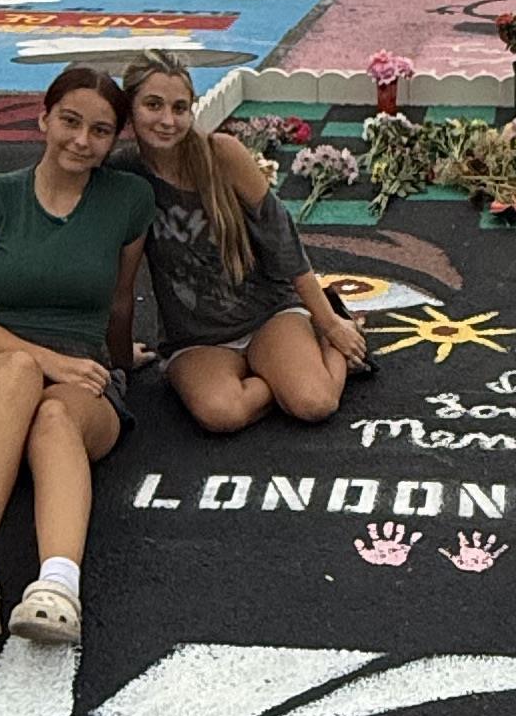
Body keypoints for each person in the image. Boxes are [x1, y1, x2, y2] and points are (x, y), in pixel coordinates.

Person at [0, 63, 158, 650]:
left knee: (55, 417)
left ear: (114, 141)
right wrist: (42, 360)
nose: (83, 140)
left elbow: (119, 299)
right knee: (20, 370)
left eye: (101, 131)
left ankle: (57, 586)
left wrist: (119, 362)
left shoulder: (129, 200)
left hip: (80, 372)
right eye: (70, 122)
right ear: (43, 118)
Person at [117, 51, 369, 432]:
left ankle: (328, 340)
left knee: (314, 403)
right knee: (222, 415)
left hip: (267, 313)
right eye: (153, 105)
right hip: (196, 335)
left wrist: (330, 323)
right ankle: (282, 373)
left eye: (180, 107)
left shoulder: (221, 154)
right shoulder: (122, 174)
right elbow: (109, 274)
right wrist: (117, 355)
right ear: (130, 107)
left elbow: (282, 240)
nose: (168, 120)